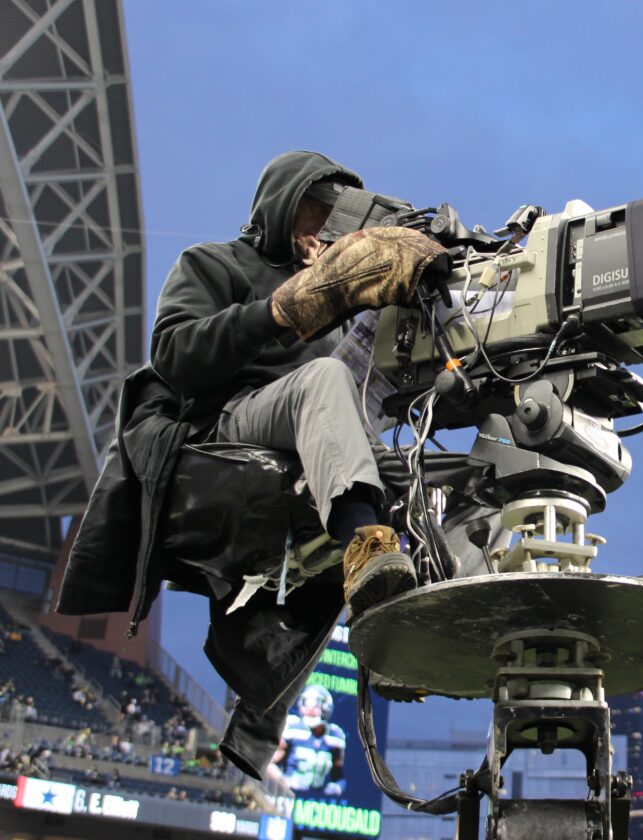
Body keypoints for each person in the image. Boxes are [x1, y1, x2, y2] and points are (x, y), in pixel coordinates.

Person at [149, 150, 448, 615]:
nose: (327, 224)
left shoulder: (341, 300)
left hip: (319, 429)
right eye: (318, 206)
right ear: (282, 202)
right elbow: (173, 355)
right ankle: (366, 543)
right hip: (230, 424)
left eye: (339, 215)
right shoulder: (214, 262)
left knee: (429, 478)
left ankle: (416, 619)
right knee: (325, 377)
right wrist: (282, 307)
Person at [267, 684, 345, 797]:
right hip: (288, 799)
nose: (309, 708)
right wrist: (283, 781)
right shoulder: (292, 728)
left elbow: (339, 776)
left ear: (325, 707)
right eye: (306, 702)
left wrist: (337, 787)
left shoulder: (335, 735)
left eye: (315, 704)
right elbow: (269, 763)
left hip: (315, 802)